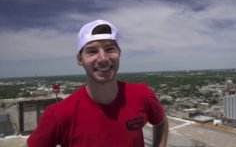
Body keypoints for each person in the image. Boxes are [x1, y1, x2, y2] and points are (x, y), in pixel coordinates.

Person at [27, 19, 169, 147]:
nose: (103, 58)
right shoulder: (58, 114)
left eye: (109, 49)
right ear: (79, 59)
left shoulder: (142, 95)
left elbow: (161, 122)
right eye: (92, 51)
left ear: (119, 52)